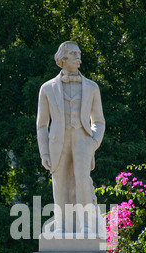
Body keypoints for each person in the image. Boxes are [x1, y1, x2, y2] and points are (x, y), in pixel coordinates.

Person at [36, 41, 105, 235]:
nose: (79, 58)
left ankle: (86, 226)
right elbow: (41, 125)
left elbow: (98, 121)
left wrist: (94, 142)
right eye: (74, 54)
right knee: (60, 183)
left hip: (83, 140)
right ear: (63, 59)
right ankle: (61, 226)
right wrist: (44, 152)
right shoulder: (47, 88)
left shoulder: (92, 87)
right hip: (58, 141)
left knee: (82, 181)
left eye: (79, 54)